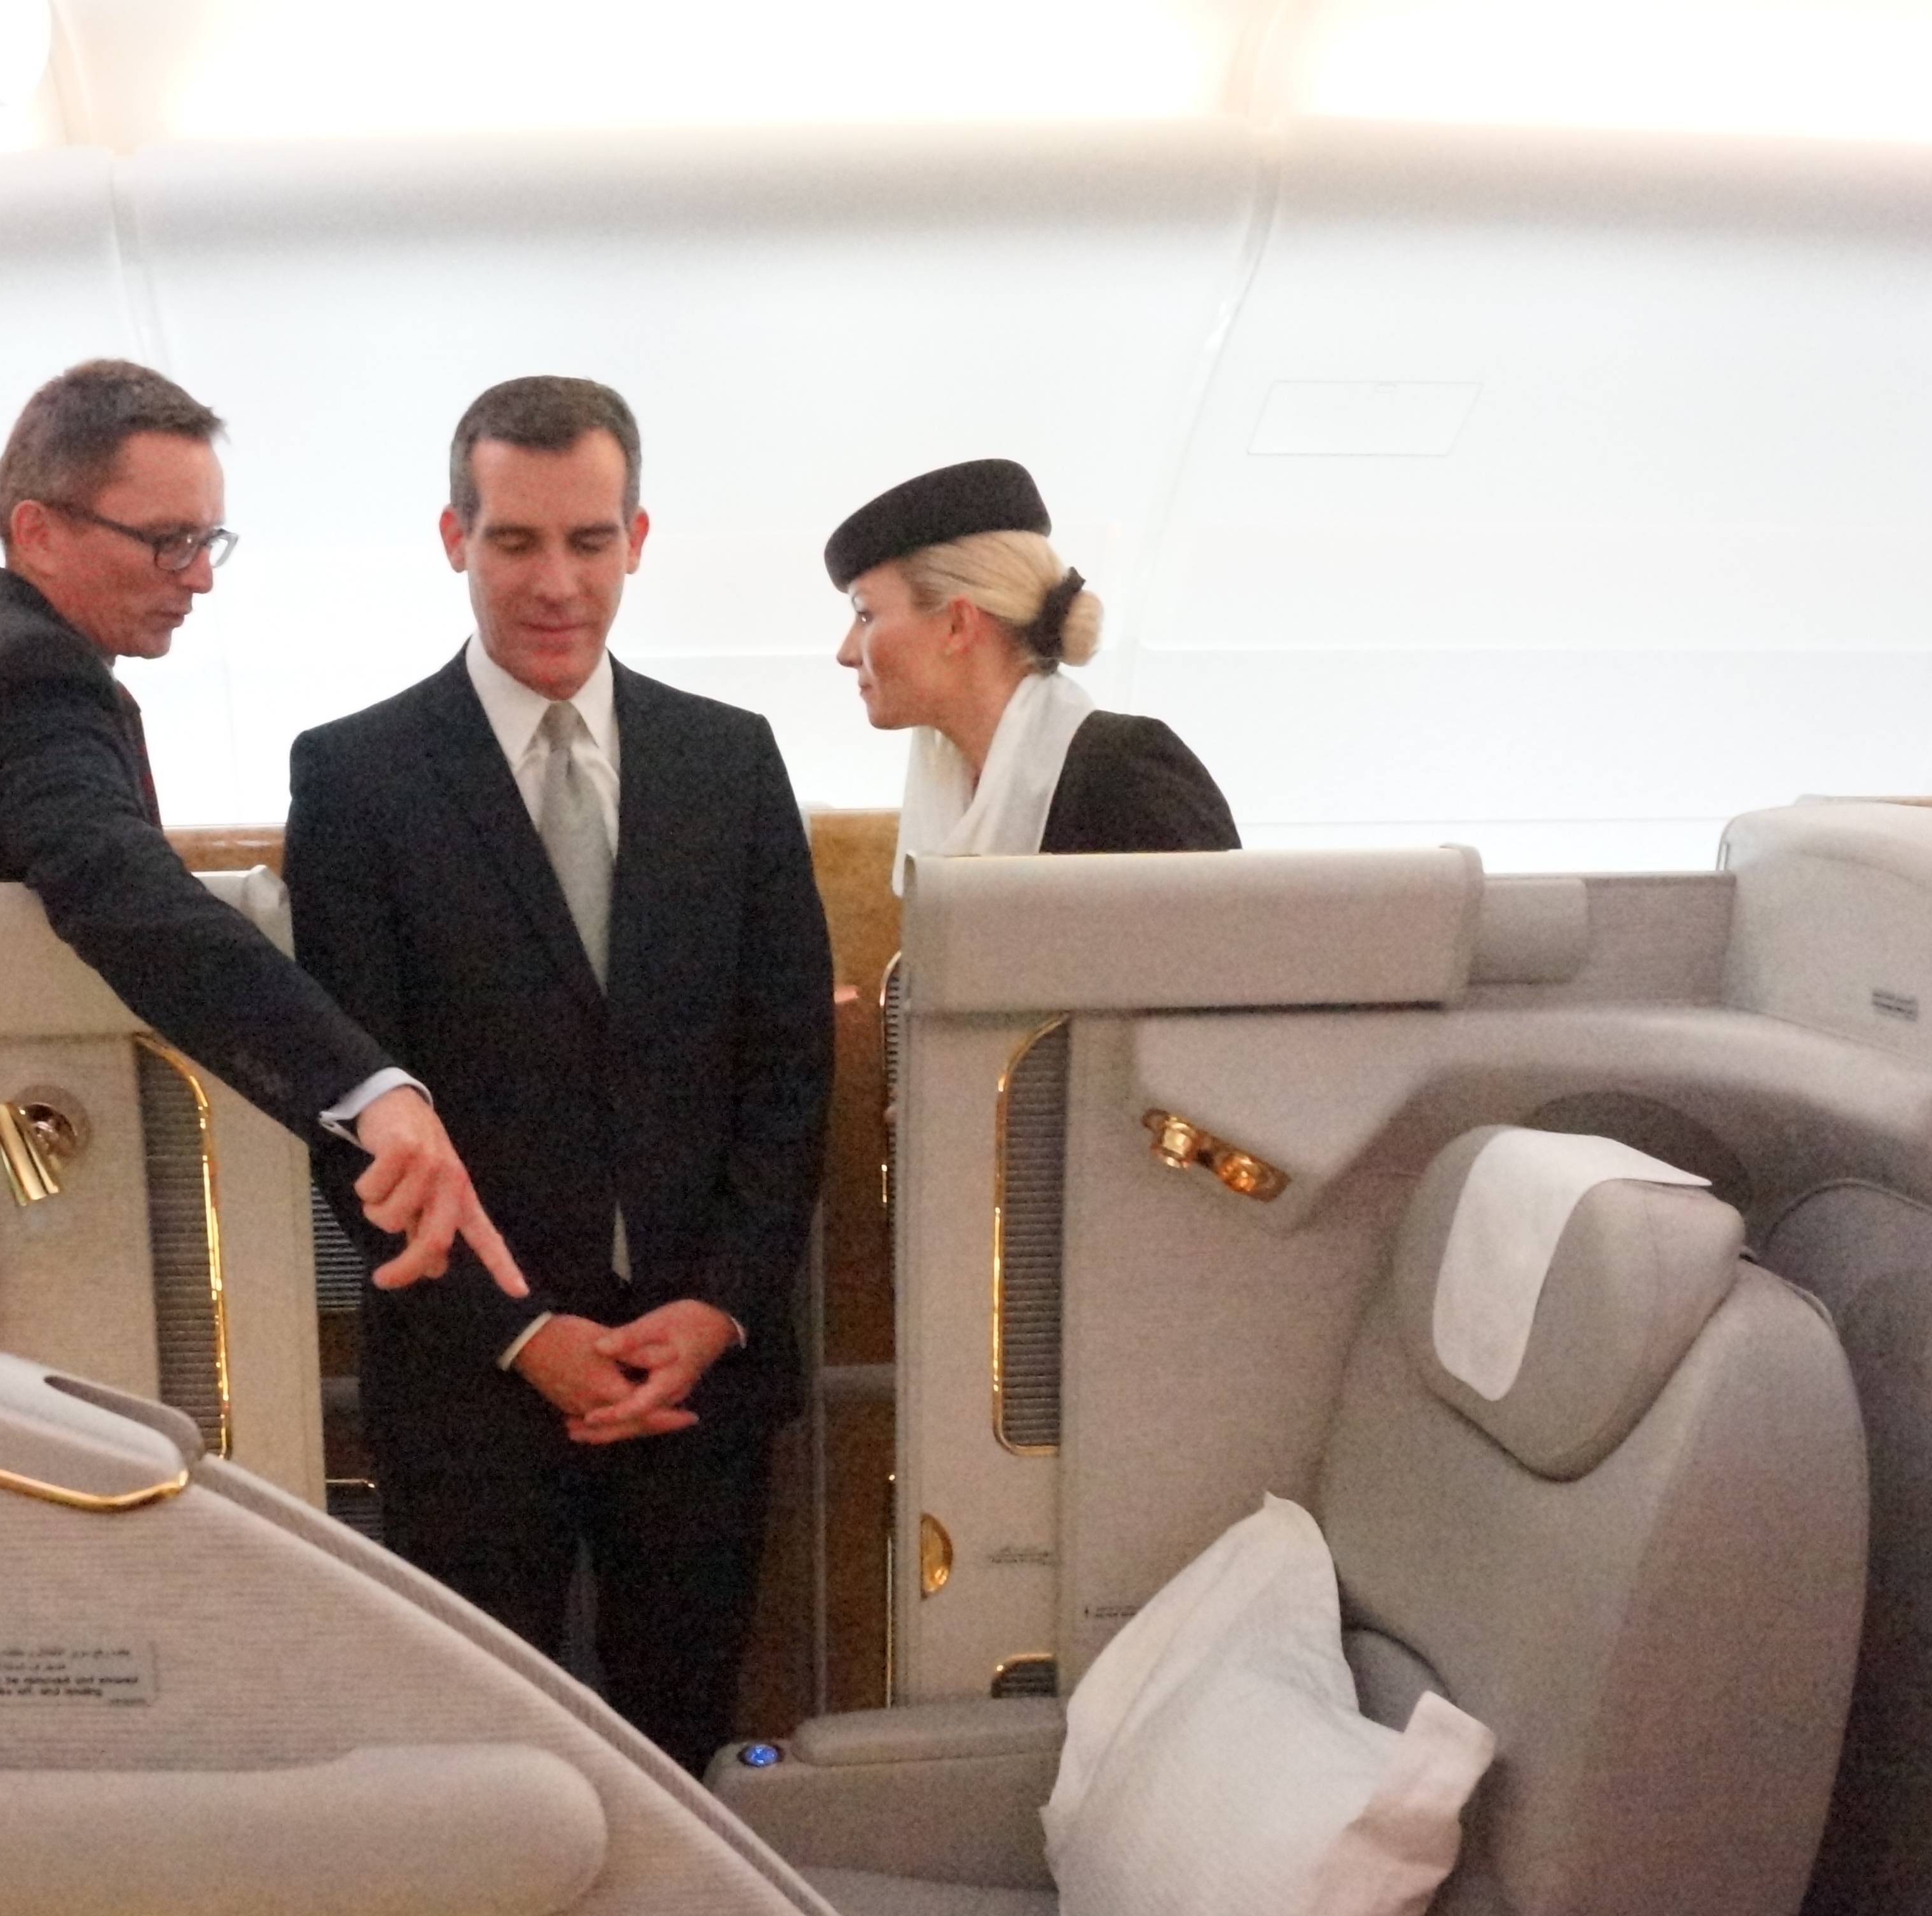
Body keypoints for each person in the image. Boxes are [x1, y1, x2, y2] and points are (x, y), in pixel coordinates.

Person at [286, 377, 834, 1772]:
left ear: (638, 537)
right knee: (488, 1763)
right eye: (515, 542)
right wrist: (524, 1332)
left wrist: (717, 1303)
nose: (555, 581)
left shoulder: (732, 760)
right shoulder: (357, 777)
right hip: (474, 1378)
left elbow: (786, 1069)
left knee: (686, 1747)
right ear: (453, 538)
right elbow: (347, 1111)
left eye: (588, 540)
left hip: (696, 1369)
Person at [0, 358, 518, 1294]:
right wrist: (366, 1090)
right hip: (32, 1173)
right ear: (36, 531)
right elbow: (120, 891)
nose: (199, 576)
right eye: (168, 541)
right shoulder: (37, 675)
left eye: (208, 540)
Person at [827, 457, 1237, 883]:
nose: (846, 652)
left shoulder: (1128, 775)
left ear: (957, 625)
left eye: (865, 615)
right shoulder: (952, 784)